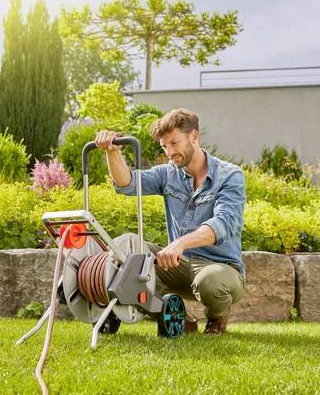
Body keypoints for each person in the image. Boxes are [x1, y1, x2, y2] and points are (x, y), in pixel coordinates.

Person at [95, 108, 247, 334]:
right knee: (125, 250)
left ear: (194, 136)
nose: (169, 152)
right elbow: (127, 184)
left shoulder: (230, 175)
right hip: (177, 265)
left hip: (221, 268)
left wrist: (180, 243)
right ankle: (181, 318)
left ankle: (217, 319)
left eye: (174, 143)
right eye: (164, 146)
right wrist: (112, 152)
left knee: (210, 282)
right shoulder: (168, 174)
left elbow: (223, 224)